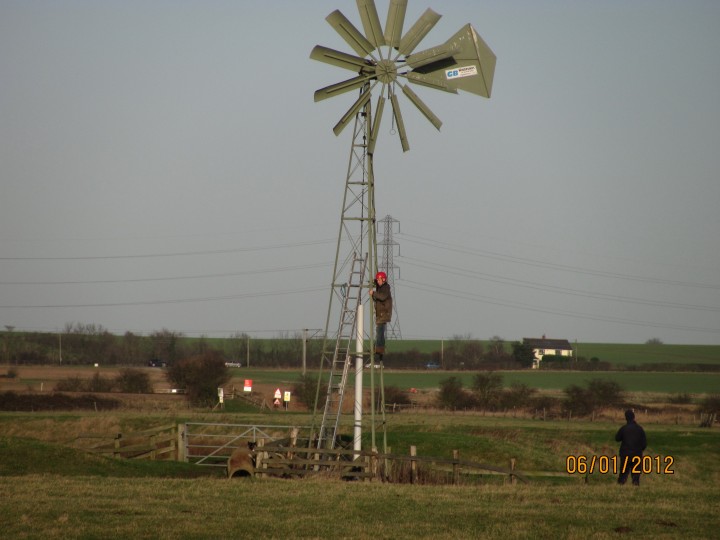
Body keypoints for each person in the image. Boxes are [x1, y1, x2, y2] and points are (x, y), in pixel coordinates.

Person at [615, 409, 647, 486]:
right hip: (637, 454)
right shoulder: (640, 429)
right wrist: (639, 450)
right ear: (634, 417)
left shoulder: (624, 428)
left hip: (625, 454)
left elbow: (617, 438)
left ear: (626, 418)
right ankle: (635, 484)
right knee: (636, 473)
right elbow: (644, 443)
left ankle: (621, 484)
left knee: (623, 472)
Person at [369, 271, 392, 362]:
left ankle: (379, 349)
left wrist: (373, 293)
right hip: (381, 313)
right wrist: (373, 281)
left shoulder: (385, 288)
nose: (378, 281)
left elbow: (382, 297)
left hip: (384, 313)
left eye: (379, 280)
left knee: (380, 331)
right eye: (377, 280)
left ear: (383, 280)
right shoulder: (381, 286)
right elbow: (378, 284)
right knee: (380, 331)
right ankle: (379, 349)